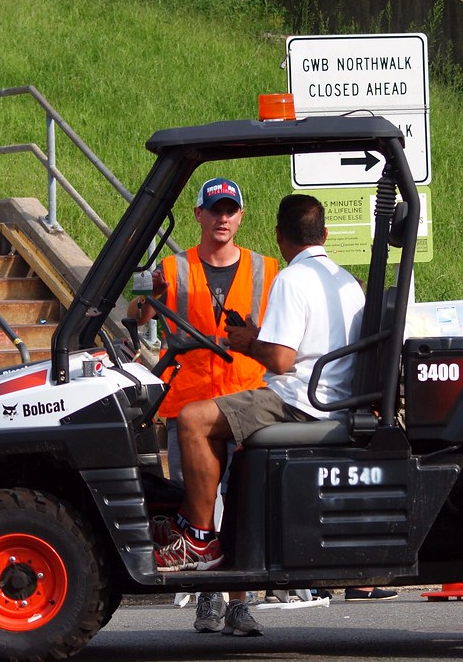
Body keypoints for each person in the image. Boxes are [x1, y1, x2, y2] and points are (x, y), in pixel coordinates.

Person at [153, 195, 366, 609]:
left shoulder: (290, 278)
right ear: (324, 234)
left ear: (279, 236)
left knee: (193, 419)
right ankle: (199, 539)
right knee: (211, 425)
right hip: (332, 397)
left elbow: (282, 360)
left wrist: (249, 341)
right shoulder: (346, 282)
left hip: (297, 399)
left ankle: (197, 539)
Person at [128, 177, 278, 636]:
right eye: (215, 210)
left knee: (241, 502)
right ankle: (209, 597)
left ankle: (239, 602)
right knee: (199, 504)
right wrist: (142, 293)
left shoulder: (266, 270)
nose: (223, 218)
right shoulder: (173, 269)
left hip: (244, 400)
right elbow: (139, 314)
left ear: (241, 216)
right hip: (190, 401)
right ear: (198, 215)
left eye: (231, 210)